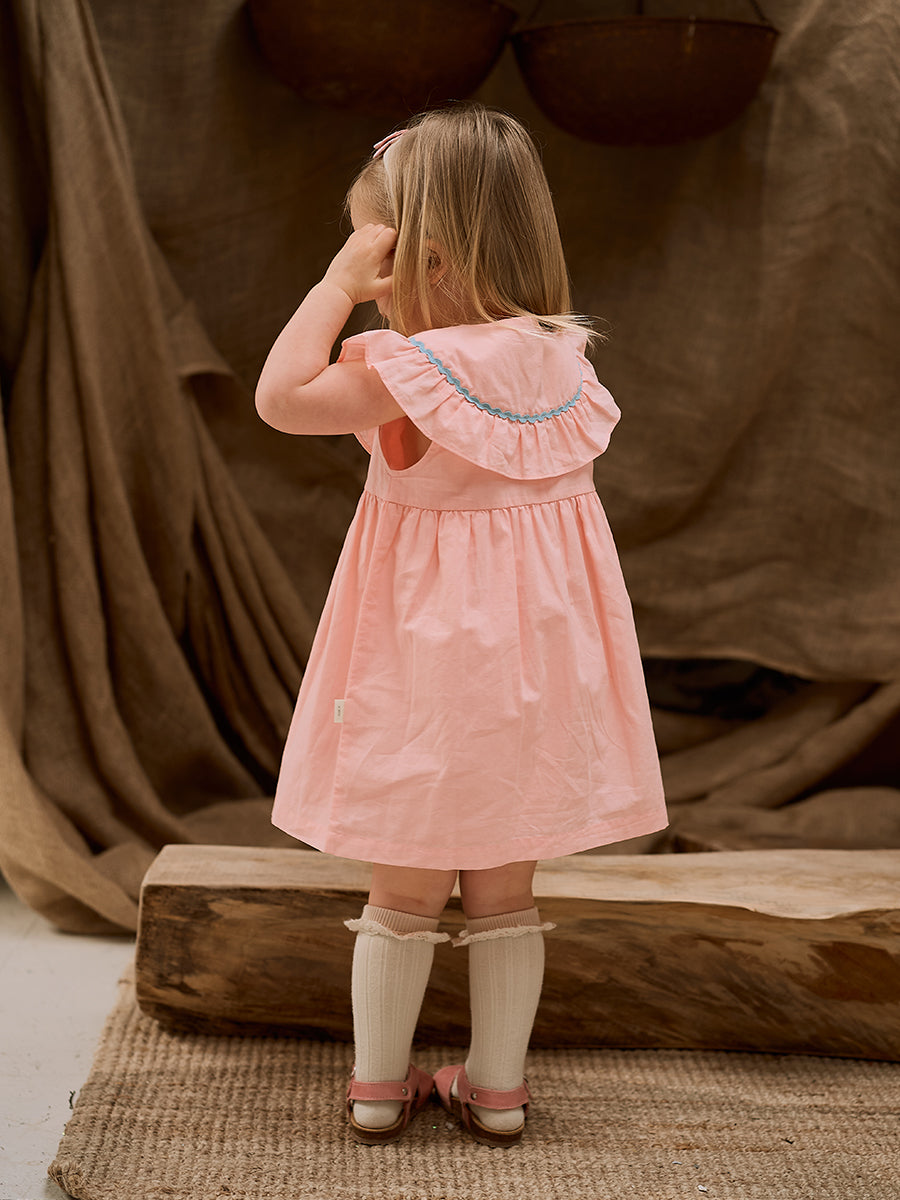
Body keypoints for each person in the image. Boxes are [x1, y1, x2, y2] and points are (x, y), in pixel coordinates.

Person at [255, 104, 667, 1149]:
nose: (370, 275)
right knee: (505, 890)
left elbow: (281, 397)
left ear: (425, 256)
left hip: (426, 668)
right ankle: (498, 1091)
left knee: (403, 885)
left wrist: (333, 288)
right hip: (541, 668)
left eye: (377, 253)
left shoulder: (408, 372)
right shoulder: (563, 360)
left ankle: (377, 1089)